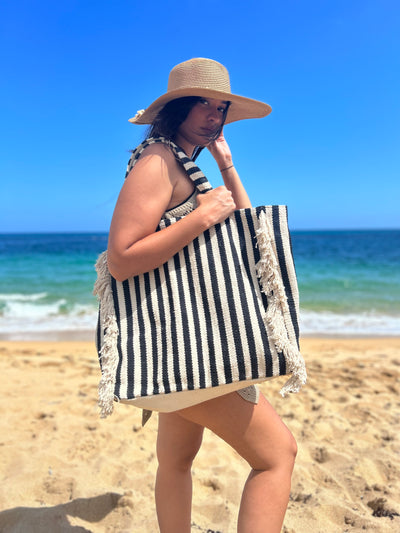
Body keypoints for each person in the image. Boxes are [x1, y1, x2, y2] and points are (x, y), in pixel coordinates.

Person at [107, 58, 297, 533]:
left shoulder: (186, 164)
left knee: (176, 461)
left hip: (186, 342)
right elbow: (122, 259)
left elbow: (247, 231)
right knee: (277, 456)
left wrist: (226, 165)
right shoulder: (158, 161)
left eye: (222, 108)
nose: (215, 116)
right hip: (185, 343)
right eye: (204, 105)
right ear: (178, 108)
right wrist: (200, 217)